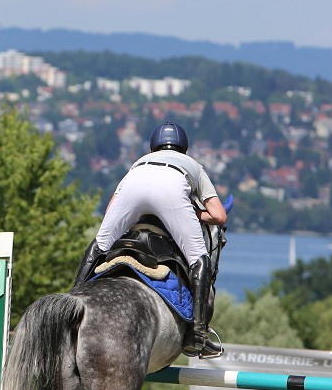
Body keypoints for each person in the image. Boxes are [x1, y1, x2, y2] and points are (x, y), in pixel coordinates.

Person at [74, 121, 227, 357]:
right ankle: (197, 332)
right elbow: (219, 215)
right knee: (199, 259)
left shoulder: (139, 163)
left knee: (100, 245)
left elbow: (110, 209)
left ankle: (72, 300)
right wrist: (190, 210)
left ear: (154, 146)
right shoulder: (194, 165)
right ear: (183, 148)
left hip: (133, 189)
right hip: (173, 190)